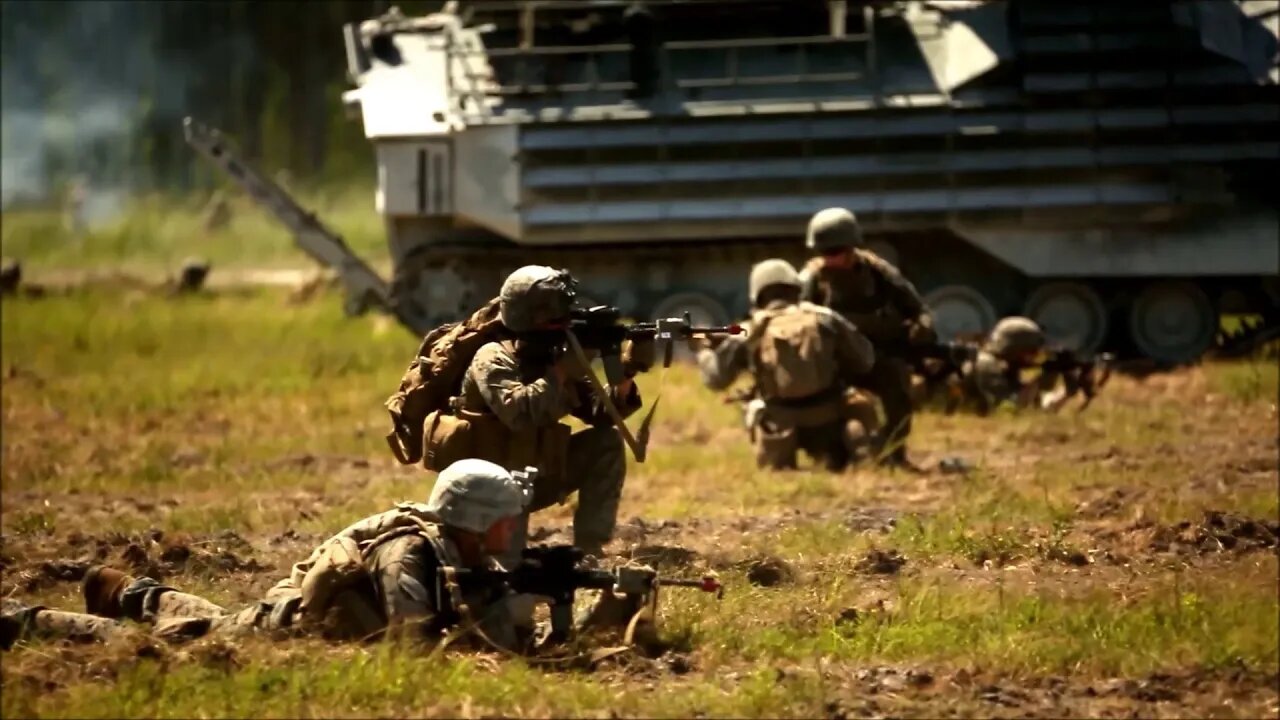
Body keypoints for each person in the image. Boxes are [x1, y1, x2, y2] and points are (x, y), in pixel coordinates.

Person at [0, 459, 531, 652]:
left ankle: (130, 592)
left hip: (281, 621)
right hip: (282, 632)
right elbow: (411, 646)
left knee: (211, 623)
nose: (513, 532)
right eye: (505, 521)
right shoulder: (408, 553)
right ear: (476, 522)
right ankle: (26, 620)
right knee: (162, 646)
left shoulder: (455, 553)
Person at [437, 265, 650, 561]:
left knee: (607, 442)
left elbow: (600, 412)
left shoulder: (555, 354)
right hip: (487, 490)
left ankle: (589, 548)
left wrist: (626, 371)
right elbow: (521, 414)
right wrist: (562, 373)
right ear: (526, 317)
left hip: (536, 475)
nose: (564, 323)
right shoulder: (493, 358)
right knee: (505, 567)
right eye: (553, 316)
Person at [695, 258, 878, 471]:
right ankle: (852, 441)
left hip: (780, 427)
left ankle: (776, 454)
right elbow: (865, 360)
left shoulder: (749, 331)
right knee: (856, 401)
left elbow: (716, 379)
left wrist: (704, 351)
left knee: (751, 406)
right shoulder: (825, 318)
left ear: (757, 295)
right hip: (829, 419)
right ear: (795, 289)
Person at [799, 208, 936, 469]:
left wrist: (921, 329)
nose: (830, 259)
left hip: (877, 357)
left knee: (899, 391)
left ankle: (892, 454)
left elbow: (917, 308)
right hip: (835, 362)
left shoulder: (879, 273)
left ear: (851, 248)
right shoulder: (812, 279)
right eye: (824, 253)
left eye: (836, 252)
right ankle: (836, 453)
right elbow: (797, 317)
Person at [955, 316, 1049, 415]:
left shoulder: (1004, 364)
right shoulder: (987, 364)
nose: (1036, 355)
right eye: (1031, 351)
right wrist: (1040, 380)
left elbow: (1021, 396)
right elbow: (1007, 407)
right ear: (1013, 348)